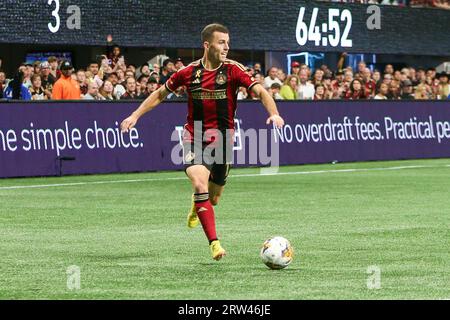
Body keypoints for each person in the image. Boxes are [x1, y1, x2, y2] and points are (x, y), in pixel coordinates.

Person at [120, 23, 284, 261]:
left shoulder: (233, 70)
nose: (226, 47)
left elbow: (261, 92)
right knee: (199, 183)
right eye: (221, 42)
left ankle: (197, 204)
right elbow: (159, 94)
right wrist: (134, 115)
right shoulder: (188, 73)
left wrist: (274, 113)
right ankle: (214, 243)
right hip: (193, 136)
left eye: (228, 42)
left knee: (214, 198)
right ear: (207, 45)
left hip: (223, 141)